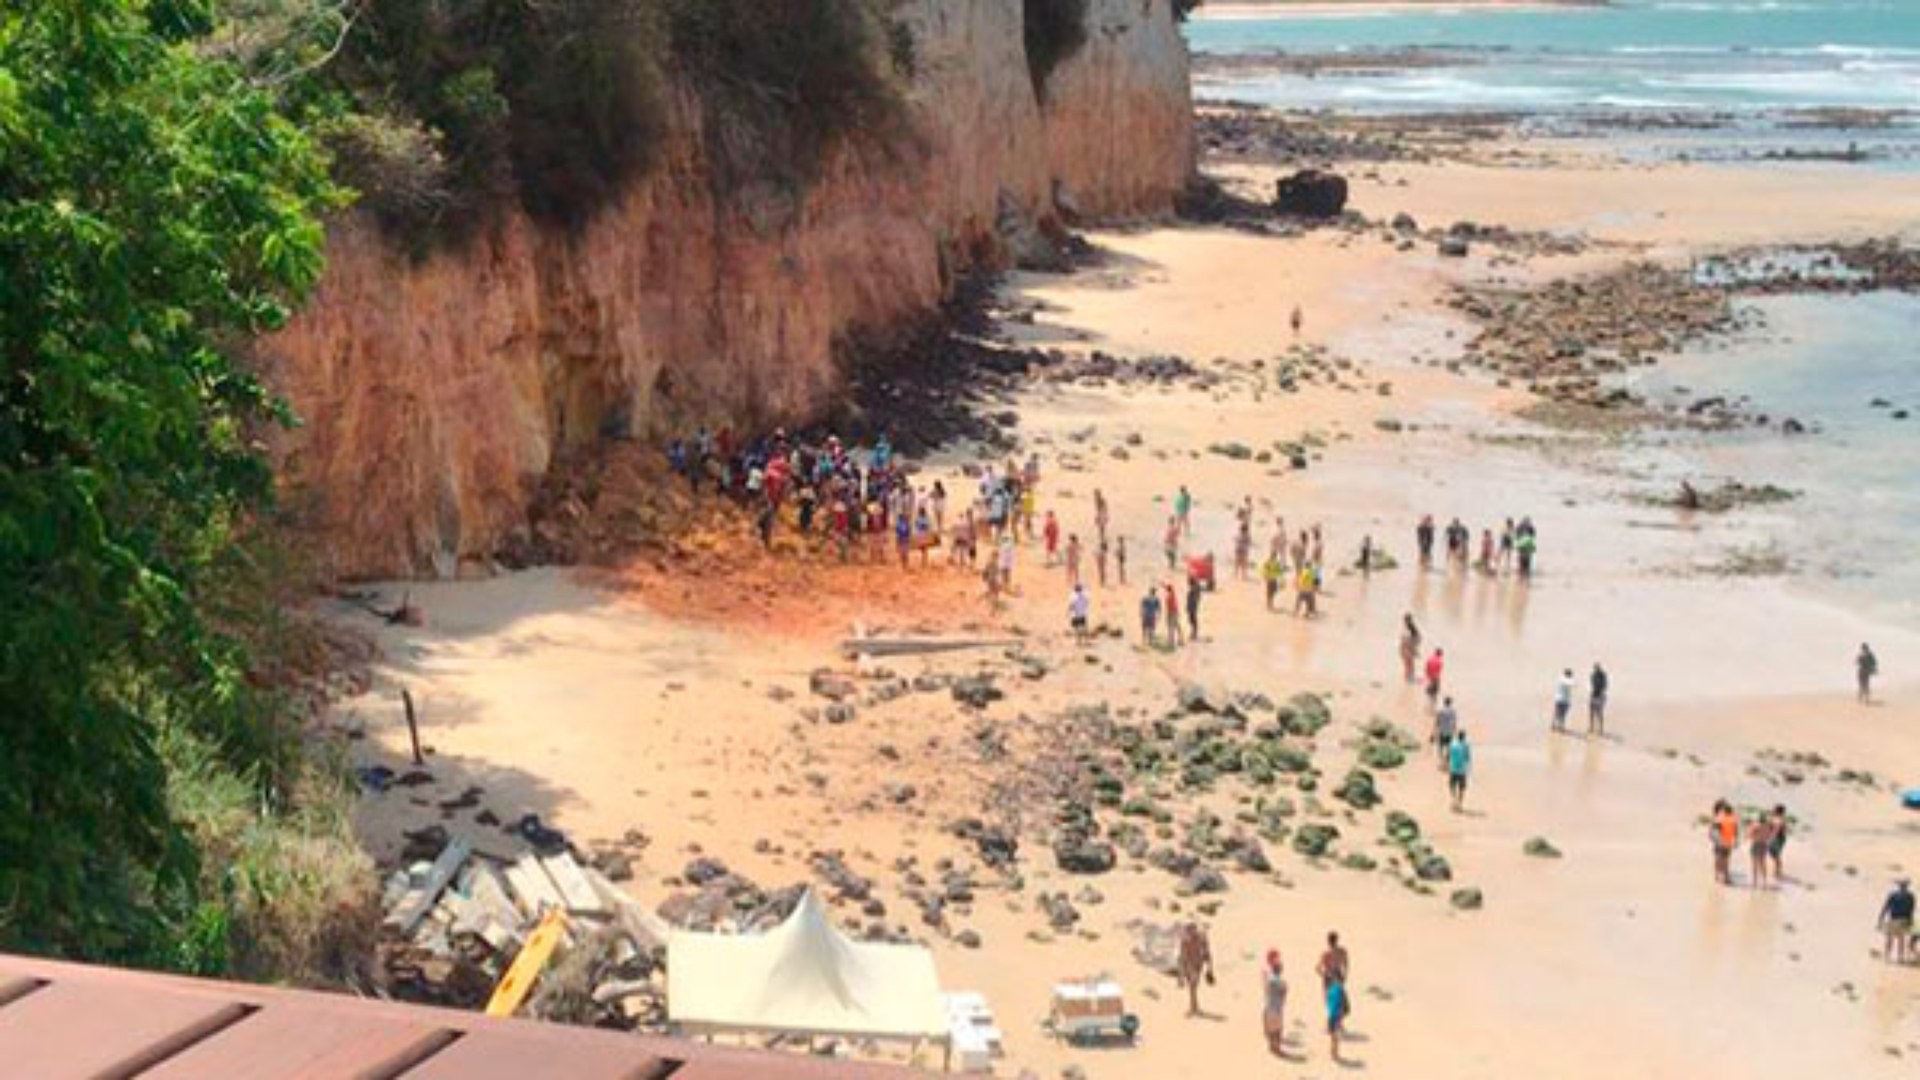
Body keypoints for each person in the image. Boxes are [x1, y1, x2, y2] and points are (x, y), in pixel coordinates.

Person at [1177, 922, 1214, 1016]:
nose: (1191, 933)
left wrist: (1209, 969)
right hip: (1189, 965)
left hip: (1197, 964)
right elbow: (1182, 957)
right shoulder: (1185, 941)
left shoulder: (1200, 939)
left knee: (1193, 986)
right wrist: (1181, 976)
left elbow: (1207, 953)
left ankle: (1194, 1007)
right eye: (1189, 930)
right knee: (1192, 986)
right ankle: (1194, 1007)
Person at [1879, 880, 1915, 964]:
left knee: (1889, 938)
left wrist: (1881, 918)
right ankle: (1900, 958)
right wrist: (1911, 921)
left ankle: (1887, 957)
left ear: (1899, 886)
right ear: (1907, 886)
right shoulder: (1911, 896)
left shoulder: (1893, 895)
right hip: (1904, 919)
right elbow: (1911, 910)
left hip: (1894, 919)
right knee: (1901, 939)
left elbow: (1886, 907)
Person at [1261, 950, 1289, 1057]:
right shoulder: (1282, 982)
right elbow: (1284, 994)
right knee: (1278, 1030)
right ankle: (1277, 1049)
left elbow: (1266, 986)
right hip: (1277, 1007)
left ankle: (1272, 1047)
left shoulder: (1269, 980)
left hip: (1269, 1005)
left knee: (1271, 1029)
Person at [1710, 800, 1738, 885]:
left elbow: (1714, 832)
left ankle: (1718, 876)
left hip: (1721, 842)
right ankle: (1725, 878)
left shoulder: (1719, 818)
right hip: (1727, 843)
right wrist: (1735, 842)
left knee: (1719, 858)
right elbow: (1735, 833)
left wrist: (1717, 840)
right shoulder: (1732, 820)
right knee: (1725, 860)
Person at [1325, 976, 1349, 1064]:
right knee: (1336, 1036)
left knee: (1333, 1036)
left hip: (1331, 1014)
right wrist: (1343, 1012)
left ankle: (1333, 1053)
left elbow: (1327, 1002)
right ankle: (1335, 1054)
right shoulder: (1340, 990)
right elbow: (1344, 1003)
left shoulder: (1330, 989)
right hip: (1337, 1015)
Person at [1748, 811, 1774, 890]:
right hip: (1764, 844)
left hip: (1756, 844)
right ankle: (1764, 882)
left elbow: (1750, 835)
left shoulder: (1756, 826)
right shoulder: (1768, 826)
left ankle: (1754, 882)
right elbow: (1770, 836)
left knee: (1754, 864)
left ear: (1759, 819)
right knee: (1763, 863)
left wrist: (1751, 827)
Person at [1447, 729, 1472, 811]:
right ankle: (1460, 804)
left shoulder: (1452, 745)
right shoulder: (1466, 746)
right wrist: (1468, 769)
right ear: (1464, 737)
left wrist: (1448, 765)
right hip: (1462, 771)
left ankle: (1454, 800)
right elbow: (1467, 758)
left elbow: (1448, 756)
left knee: (1452, 786)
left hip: (1453, 769)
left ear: (1457, 737)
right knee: (1462, 788)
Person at [1433, 697, 1458, 766]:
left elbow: (1437, 722)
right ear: (1450, 703)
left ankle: (1442, 762)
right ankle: (1447, 761)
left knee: (1440, 747)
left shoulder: (1440, 711)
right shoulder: (1453, 711)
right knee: (1449, 747)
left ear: (1444, 702)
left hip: (1441, 732)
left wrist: (1434, 732)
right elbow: (1454, 723)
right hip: (1449, 732)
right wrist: (1455, 732)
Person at [1767, 805, 1789, 882]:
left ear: (1777, 811)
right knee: (1774, 854)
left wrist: (1771, 838)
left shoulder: (1780, 820)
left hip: (1778, 839)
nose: (1773, 810)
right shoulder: (1776, 818)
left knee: (1775, 854)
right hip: (1778, 838)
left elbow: (1777, 829)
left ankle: (1777, 872)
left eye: (1774, 809)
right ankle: (1777, 871)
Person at [1399, 614, 1421, 684]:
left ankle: (1408, 679)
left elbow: (1406, 641)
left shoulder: (1408, 629)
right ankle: (1409, 679)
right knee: (1410, 665)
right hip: (1408, 649)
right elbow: (1415, 640)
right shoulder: (1411, 628)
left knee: (1408, 665)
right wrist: (1415, 650)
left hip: (1406, 649)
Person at [1589, 663, 1610, 735]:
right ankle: (1591, 727)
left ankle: (1600, 729)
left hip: (1600, 696)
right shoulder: (1592, 675)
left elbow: (1605, 686)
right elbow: (1592, 685)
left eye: (1597, 668)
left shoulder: (1603, 675)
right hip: (1593, 694)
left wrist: (1602, 695)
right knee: (1591, 712)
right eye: (1595, 668)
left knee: (1599, 713)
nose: (1595, 670)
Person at [1552, 668, 1575, 733]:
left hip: (1559, 699)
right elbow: (1572, 684)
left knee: (1557, 713)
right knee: (1562, 715)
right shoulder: (1565, 681)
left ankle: (1554, 726)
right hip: (1564, 700)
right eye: (1570, 675)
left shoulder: (1560, 679)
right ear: (1568, 675)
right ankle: (1561, 728)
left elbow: (1571, 683)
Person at [1163, 582, 1184, 647]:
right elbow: (1169, 587)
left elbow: (1169, 606)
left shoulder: (1169, 596)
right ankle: (1181, 640)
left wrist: (1168, 615)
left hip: (1171, 612)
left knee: (1171, 627)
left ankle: (1171, 642)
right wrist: (1163, 585)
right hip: (1175, 612)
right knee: (1177, 626)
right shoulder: (1173, 594)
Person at [1185, 575, 1203, 641]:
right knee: (1192, 620)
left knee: (1192, 620)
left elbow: (1194, 598)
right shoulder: (1194, 588)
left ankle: (1194, 633)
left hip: (1192, 607)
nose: (1188, 583)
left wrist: (1190, 606)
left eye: (1188, 581)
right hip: (1192, 607)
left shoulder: (1194, 589)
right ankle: (1193, 633)